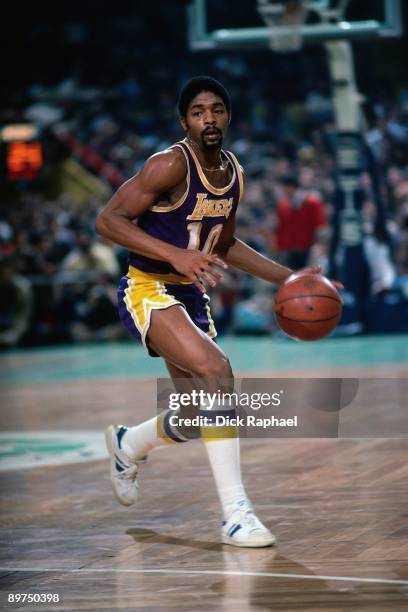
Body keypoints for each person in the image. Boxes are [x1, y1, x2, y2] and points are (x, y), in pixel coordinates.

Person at [96, 76, 330, 547]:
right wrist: (174, 255)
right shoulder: (168, 165)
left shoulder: (233, 173)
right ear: (185, 121)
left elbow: (223, 243)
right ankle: (236, 515)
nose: (209, 119)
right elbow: (108, 220)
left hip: (188, 294)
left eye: (217, 110)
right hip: (148, 287)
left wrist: (288, 278)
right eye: (199, 112)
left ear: (228, 116)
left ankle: (128, 444)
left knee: (197, 416)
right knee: (218, 372)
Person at [274, 174, 327, 269]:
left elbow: (319, 227)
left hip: (308, 250)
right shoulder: (283, 206)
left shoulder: (312, 203)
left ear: (291, 188)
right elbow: (281, 229)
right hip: (290, 251)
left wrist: (317, 246)